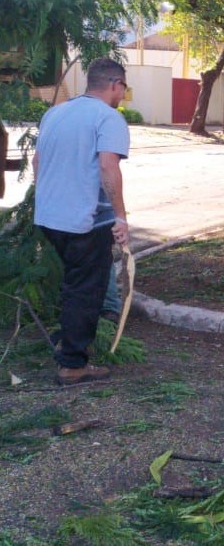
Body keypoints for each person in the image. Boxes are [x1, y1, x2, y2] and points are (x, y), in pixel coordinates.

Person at [33, 57, 131, 386]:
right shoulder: (108, 117)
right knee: (85, 291)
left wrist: (49, 199)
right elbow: (108, 167)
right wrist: (120, 216)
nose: (123, 95)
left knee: (74, 283)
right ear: (116, 85)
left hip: (49, 217)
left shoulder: (56, 112)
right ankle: (73, 364)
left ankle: (67, 343)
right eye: (123, 89)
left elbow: (38, 161)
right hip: (84, 221)